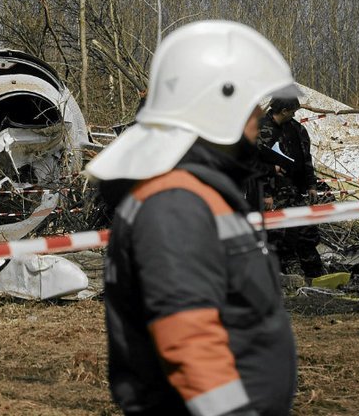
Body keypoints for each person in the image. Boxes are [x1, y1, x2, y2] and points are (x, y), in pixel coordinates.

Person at [86, 21, 298, 416]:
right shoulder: (175, 204)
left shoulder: (194, 191)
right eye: (251, 106)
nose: (259, 118)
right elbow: (188, 340)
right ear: (219, 106)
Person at [257, 97, 326, 278]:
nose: (295, 114)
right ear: (285, 110)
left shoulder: (297, 129)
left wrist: (311, 184)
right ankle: (279, 276)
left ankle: (315, 274)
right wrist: (266, 193)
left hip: (294, 190)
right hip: (272, 192)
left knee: (307, 231)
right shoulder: (260, 129)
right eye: (293, 111)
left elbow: (306, 158)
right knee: (277, 236)